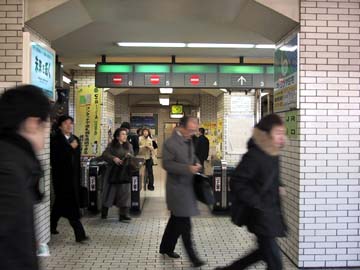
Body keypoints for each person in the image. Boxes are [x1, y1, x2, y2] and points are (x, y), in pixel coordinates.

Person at [216, 114, 287, 270]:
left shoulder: (272, 153)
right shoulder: (255, 155)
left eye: (283, 132)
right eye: (278, 132)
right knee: (275, 264)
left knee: (263, 253)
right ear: (266, 134)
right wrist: (256, 202)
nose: (281, 137)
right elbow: (237, 181)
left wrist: (278, 185)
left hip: (271, 213)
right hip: (260, 215)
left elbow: (268, 176)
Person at [0, 85, 51, 270]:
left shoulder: (15, 160)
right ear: (32, 123)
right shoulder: (10, 169)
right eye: (45, 126)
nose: (46, 135)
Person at [159, 116, 205, 268]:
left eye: (194, 130)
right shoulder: (170, 143)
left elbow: (192, 157)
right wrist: (187, 168)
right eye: (190, 130)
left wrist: (196, 162)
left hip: (187, 187)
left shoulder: (189, 140)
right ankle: (194, 259)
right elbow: (167, 164)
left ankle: (165, 247)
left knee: (175, 221)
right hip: (177, 190)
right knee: (185, 225)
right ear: (182, 127)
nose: (192, 133)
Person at [50, 115, 89, 243]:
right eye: (66, 123)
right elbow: (55, 159)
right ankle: (80, 235)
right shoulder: (55, 140)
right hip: (61, 178)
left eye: (71, 123)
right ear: (60, 125)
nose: (69, 125)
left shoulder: (75, 139)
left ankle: (51, 226)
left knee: (59, 205)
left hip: (73, 179)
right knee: (72, 208)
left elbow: (76, 160)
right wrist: (69, 148)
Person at [101, 128, 133, 222]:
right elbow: (105, 154)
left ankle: (123, 214)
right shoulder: (112, 145)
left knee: (124, 193)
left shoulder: (129, 146)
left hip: (124, 172)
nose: (125, 136)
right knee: (109, 192)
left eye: (125, 134)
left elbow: (132, 155)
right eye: (123, 134)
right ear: (117, 136)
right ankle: (104, 212)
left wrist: (129, 157)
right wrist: (113, 158)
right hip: (113, 173)